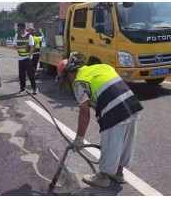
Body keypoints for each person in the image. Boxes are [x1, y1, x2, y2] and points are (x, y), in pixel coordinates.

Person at [57, 53, 144, 188]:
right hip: (131, 104)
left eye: (66, 80)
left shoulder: (79, 83)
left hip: (113, 110)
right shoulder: (100, 67)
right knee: (125, 141)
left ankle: (102, 176)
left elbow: (85, 112)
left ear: (68, 75)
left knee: (110, 142)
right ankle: (119, 173)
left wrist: (79, 138)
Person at [12, 22, 38, 94]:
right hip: (20, 58)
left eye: (19, 29)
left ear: (23, 28)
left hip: (27, 58)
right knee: (21, 75)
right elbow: (14, 46)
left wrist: (29, 56)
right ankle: (22, 88)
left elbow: (32, 46)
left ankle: (34, 88)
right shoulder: (17, 36)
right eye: (17, 29)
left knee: (30, 74)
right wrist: (21, 47)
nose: (18, 30)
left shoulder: (29, 36)